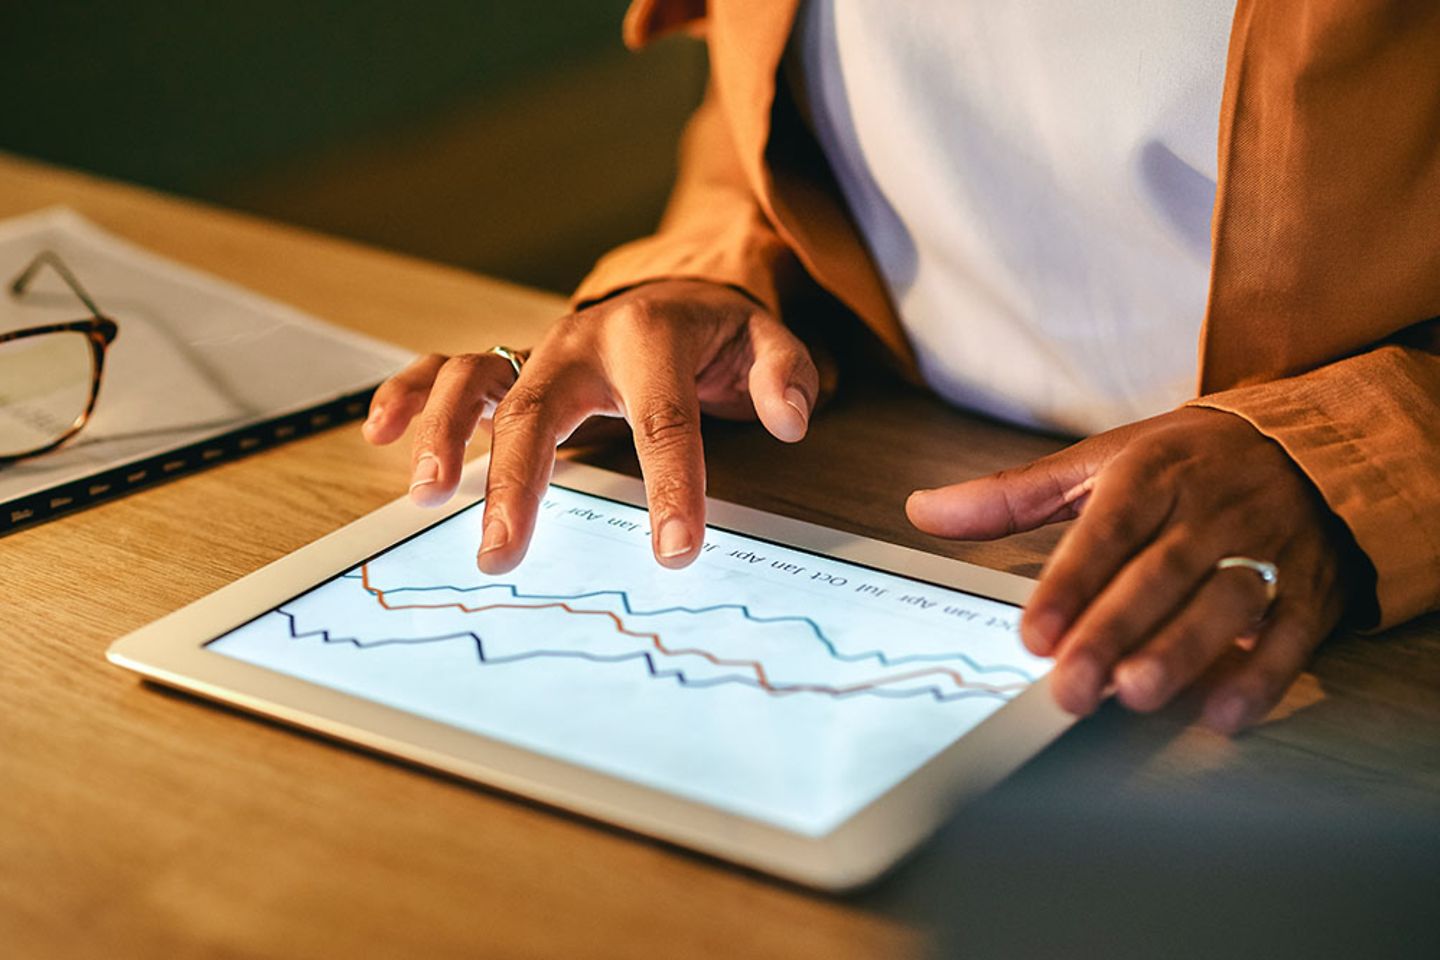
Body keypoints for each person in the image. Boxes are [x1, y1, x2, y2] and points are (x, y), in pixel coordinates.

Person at [361, 1, 1440, 734]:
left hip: (1339, 657)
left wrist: (1355, 457)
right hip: (881, 471)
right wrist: (714, 275)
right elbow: (778, 114)